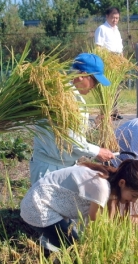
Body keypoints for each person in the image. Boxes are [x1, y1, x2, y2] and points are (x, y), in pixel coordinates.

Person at [21, 159, 138, 250]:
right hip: (39, 205)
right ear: (122, 183)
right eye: (134, 196)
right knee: (74, 249)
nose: (134, 201)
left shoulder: (112, 181)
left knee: (67, 246)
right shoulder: (102, 187)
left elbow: (110, 222)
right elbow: (95, 223)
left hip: (52, 207)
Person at [30, 53, 115, 185]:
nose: (96, 86)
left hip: (62, 165)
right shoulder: (63, 99)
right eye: (95, 80)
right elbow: (73, 141)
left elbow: (72, 134)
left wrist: (96, 124)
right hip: (50, 168)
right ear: (82, 75)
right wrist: (98, 151)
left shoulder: (68, 95)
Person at [94, 6, 124, 120]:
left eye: (117, 18)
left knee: (116, 87)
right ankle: (106, 112)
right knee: (107, 87)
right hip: (108, 59)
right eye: (113, 18)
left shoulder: (117, 30)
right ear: (107, 17)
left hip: (117, 60)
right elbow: (98, 47)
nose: (115, 20)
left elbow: (120, 48)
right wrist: (105, 61)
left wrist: (122, 60)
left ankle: (114, 111)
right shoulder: (102, 29)